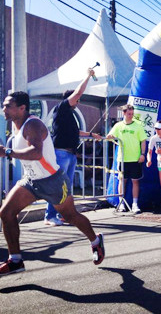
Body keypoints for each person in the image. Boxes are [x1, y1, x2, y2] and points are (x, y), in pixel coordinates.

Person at [0, 92, 104, 276]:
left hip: (53, 181)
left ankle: (95, 241)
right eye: (4, 105)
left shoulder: (33, 124)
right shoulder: (16, 126)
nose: (4, 109)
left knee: (70, 216)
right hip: (31, 181)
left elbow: (36, 152)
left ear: (22, 108)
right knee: (6, 213)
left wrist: (6, 152)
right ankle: (15, 260)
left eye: (8, 106)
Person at [45, 68, 102, 226]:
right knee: (58, 185)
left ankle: (63, 215)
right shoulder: (61, 108)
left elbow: (76, 132)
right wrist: (88, 77)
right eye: (76, 99)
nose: (78, 102)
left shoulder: (68, 115)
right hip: (61, 153)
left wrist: (91, 135)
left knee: (66, 188)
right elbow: (78, 93)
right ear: (70, 99)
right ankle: (49, 216)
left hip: (70, 154)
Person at [106, 104, 147, 214]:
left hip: (135, 159)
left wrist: (143, 154)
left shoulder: (138, 125)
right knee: (121, 181)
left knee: (135, 181)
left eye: (132, 114)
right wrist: (110, 136)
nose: (131, 116)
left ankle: (134, 204)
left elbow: (143, 141)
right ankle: (121, 203)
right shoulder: (118, 125)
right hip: (122, 159)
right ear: (124, 113)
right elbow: (110, 135)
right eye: (129, 114)